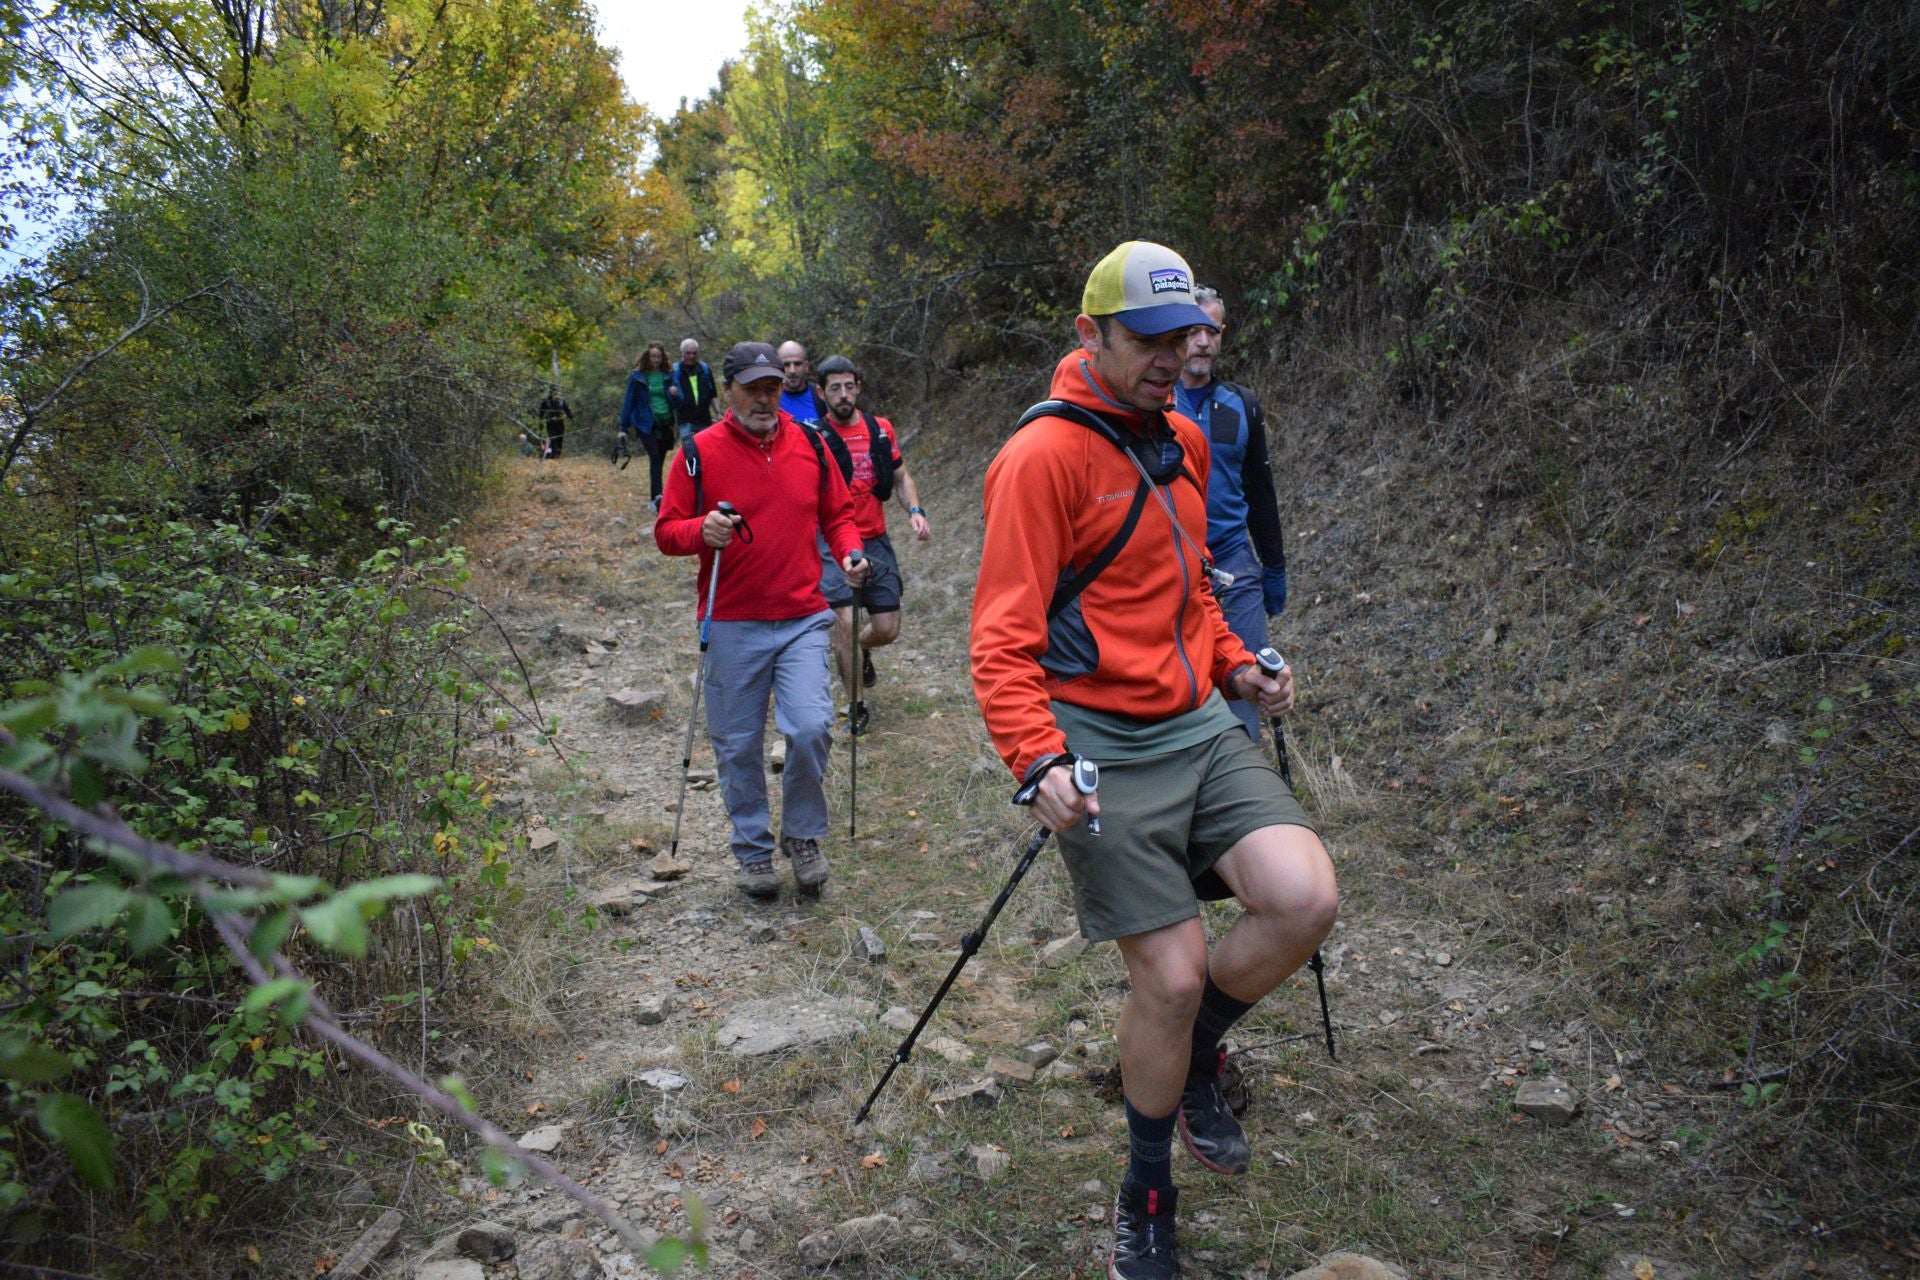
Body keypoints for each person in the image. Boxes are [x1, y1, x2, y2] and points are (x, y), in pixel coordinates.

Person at [969, 241, 1338, 1280]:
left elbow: (1193, 592)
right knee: (1168, 976)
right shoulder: (1039, 458)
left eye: (1185, 337)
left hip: (1195, 725)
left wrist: (1238, 663)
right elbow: (1000, 636)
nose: (1175, 357)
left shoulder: (1185, 437)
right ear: (1090, 335)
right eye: (1150, 340)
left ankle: (1200, 1054)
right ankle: (1144, 1193)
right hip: (1099, 740)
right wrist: (1034, 754)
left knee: (1303, 897)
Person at [654, 342, 868, 899]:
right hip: (730, 620)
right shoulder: (698, 453)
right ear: (729, 391)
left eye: (773, 387)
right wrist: (702, 529)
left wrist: (849, 552)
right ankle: (752, 851)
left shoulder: (811, 445)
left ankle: (802, 837)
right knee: (738, 745)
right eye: (753, 388)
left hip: (802, 616)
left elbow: (838, 514)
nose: (765, 398)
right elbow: (667, 532)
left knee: (811, 727)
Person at [1175, 286, 1289, 739]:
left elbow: (1261, 492)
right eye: (1193, 330)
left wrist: (1273, 567)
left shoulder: (1241, 405)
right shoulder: (1153, 404)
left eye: (1212, 331)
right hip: (1175, 562)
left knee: (1247, 682)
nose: (1203, 341)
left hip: (1233, 562)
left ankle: (1245, 785)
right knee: (1185, 682)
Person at [809, 356, 930, 731]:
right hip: (832, 542)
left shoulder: (880, 430)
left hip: (875, 539)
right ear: (821, 392)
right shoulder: (813, 436)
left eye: (849, 386)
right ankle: (856, 707)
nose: (843, 395)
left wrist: (915, 509)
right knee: (844, 621)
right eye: (834, 388)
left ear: (858, 387)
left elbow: (900, 476)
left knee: (887, 628)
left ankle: (861, 650)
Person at [621, 342, 678, 509]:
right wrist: (623, 428)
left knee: (659, 458)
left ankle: (656, 495)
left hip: (665, 421)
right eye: (654, 356)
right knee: (654, 456)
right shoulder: (637, 376)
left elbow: (677, 400)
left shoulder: (668, 375)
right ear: (648, 356)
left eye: (659, 357)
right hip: (645, 423)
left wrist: (675, 393)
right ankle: (658, 497)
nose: (657, 360)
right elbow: (628, 402)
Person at [667, 338, 718, 438]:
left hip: (705, 420)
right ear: (682, 353)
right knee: (690, 451)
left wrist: (718, 412)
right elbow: (670, 400)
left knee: (706, 450)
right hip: (685, 422)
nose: (692, 356)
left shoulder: (705, 369)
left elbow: (713, 394)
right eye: (688, 353)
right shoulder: (674, 371)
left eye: (694, 353)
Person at [776, 340, 826, 424]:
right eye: (786, 364)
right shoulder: (770, 398)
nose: (792, 370)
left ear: (806, 366)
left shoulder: (821, 396)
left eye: (797, 364)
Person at [536, 384, 572, 459]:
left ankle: (558, 455)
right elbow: (541, 413)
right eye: (554, 391)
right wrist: (540, 423)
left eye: (557, 391)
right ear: (551, 392)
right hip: (550, 423)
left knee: (560, 440)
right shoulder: (546, 401)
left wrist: (571, 417)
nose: (555, 393)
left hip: (560, 424)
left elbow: (567, 411)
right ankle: (553, 455)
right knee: (553, 439)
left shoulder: (562, 401)